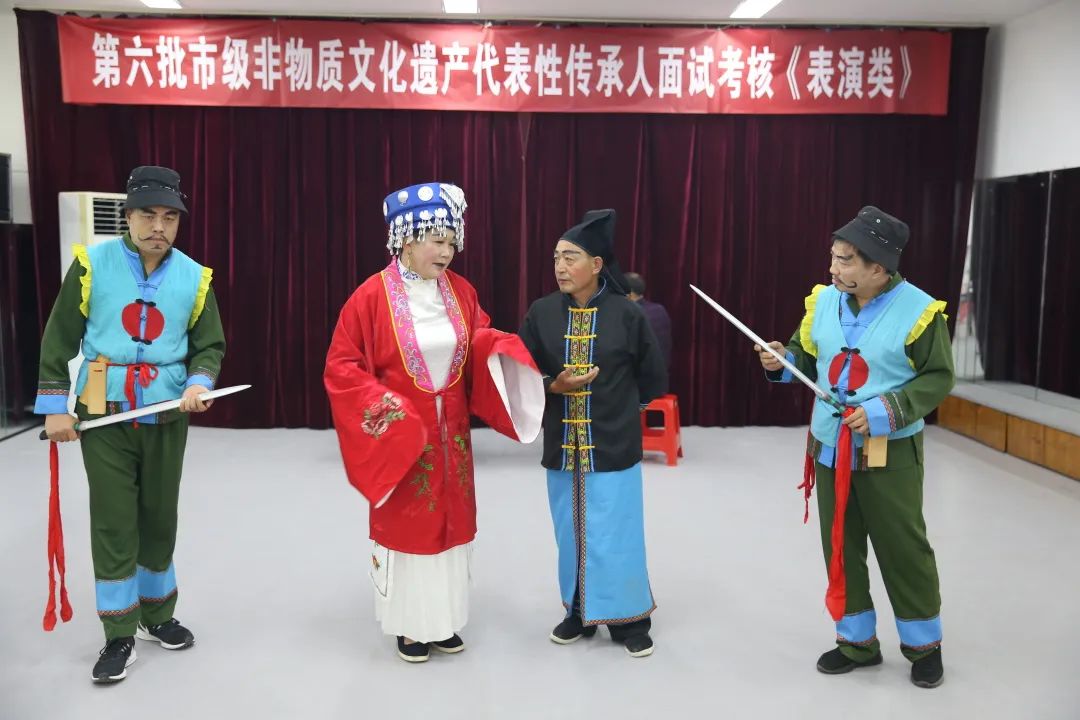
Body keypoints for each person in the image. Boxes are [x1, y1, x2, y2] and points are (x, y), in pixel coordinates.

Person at [324, 182, 543, 663]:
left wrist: (500, 348)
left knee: (451, 525)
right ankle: (410, 626)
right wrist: (389, 410)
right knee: (410, 528)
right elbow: (342, 367)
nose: (446, 252)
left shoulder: (461, 291)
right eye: (437, 241)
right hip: (403, 437)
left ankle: (443, 621)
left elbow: (478, 336)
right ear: (405, 239)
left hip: (453, 437)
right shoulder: (370, 297)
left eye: (451, 242)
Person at [36, 165, 226, 683]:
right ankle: (119, 630)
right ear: (128, 214)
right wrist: (55, 407)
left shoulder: (195, 277)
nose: (158, 227)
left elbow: (209, 345)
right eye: (147, 214)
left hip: (166, 412)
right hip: (103, 413)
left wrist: (199, 384)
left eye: (169, 217)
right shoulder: (90, 265)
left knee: (159, 515)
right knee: (115, 518)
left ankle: (157, 615)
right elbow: (58, 338)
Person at [755, 205, 953, 689]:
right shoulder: (823, 301)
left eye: (844, 260)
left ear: (879, 269)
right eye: (833, 256)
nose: (832, 268)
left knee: (903, 548)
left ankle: (923, 646)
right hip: (829, 448)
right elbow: (808, 357)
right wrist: (782, 359)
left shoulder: (920, 312)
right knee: (840, 547)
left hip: (890, 453)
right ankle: (856, 642)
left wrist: (886, 410)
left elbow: (937, 377)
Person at [518, 209, 667, 658]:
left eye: (571, 257)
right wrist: (553, 386)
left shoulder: (627, 314)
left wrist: (619, 410)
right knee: (570, 533)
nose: (560, 266)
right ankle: (579, 612)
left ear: (597, 264)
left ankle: (629, 618)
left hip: (614, 445)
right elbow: (522, 371)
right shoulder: (542, 312)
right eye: (556, 258)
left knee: (616, 532)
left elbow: (652, 377)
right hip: (562, 447)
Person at [623, 272, 672, 369]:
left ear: (629, 293)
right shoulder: (660, 310)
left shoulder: (631, 314)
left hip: (639, 374)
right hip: (661, 371)